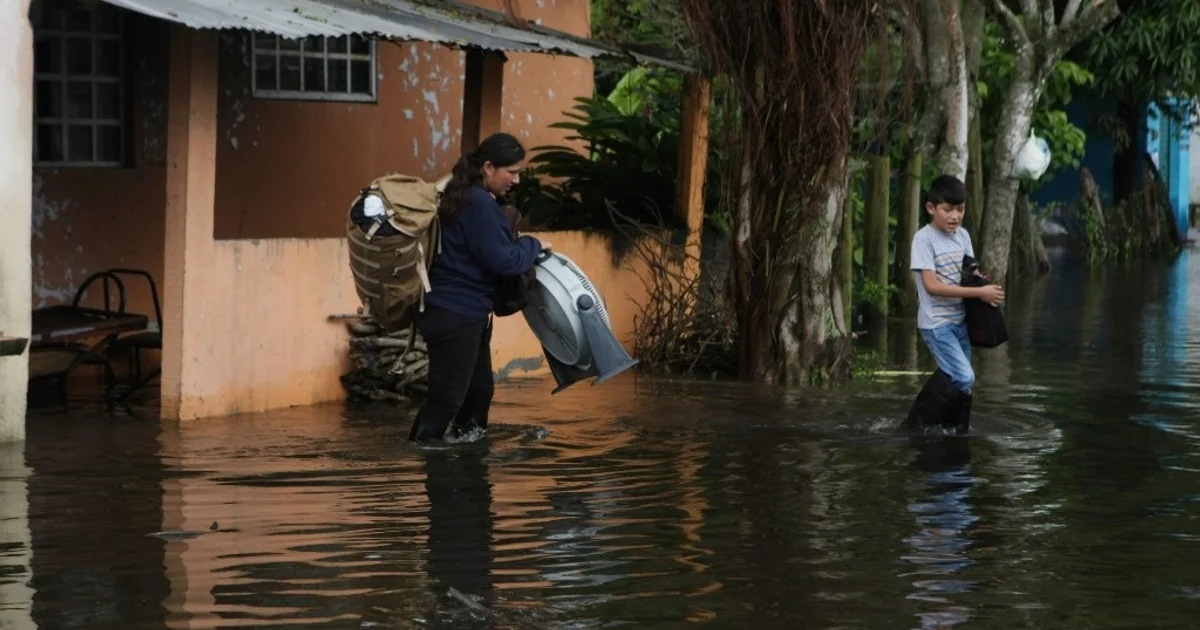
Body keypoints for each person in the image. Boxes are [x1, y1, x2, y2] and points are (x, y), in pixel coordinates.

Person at [408, 133, 549, 443]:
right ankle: (420, 455)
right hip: (454, 313)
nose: (516, 179)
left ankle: (467, 461)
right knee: (447, 400)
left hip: (464, 314)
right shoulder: (478, 203)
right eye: (511, 172)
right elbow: (505, 261)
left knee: (478, 395)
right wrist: (533, 244)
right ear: (487, 167)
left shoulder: (468, 197)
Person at [906, 174, 1005, 432]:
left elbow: (969, 270)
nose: (955, 216)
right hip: (937, 324)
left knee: (962, 382)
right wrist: (979, 293)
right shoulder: (923, 239)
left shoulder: (962, 236)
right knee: (963, 376)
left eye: (960, 210)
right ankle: (916, 425)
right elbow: (932, 286)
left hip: (960, 322)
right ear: (931, 208)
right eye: (947, 209)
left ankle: (955, 431)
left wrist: (981, 282)